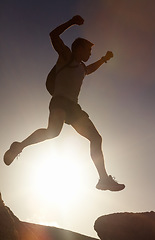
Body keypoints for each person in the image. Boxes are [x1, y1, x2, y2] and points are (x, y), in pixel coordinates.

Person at [4, 15, 125, 191]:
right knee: (53, 132)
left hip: (74, 108)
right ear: (78, 49)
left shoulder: (82, 68)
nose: (90, 54)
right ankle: (19, 146)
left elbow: (90, 69)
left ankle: (103, 179)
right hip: (59, 101)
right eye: (88, 50)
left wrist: (104, 59)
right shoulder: (66, 56)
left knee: (96, 138)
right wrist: (71, 22)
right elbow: (53, 35)